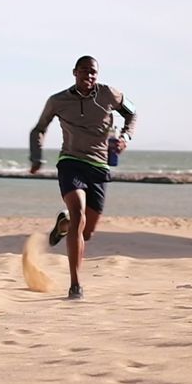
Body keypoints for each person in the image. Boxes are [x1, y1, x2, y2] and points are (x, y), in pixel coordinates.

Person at [29, 56, 137, 299]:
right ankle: (75, 285)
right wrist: (36, 157)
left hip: (99, 166)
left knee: (86, 233)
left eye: (93, 72)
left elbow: (132, 113)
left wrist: (125, 138)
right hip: (71, 162)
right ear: (74, 72)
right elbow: (39, 128)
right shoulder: (58, 101)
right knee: (78, 214)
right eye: (85, 72)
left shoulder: (110, 94)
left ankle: (63, 224)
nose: (89, 76)